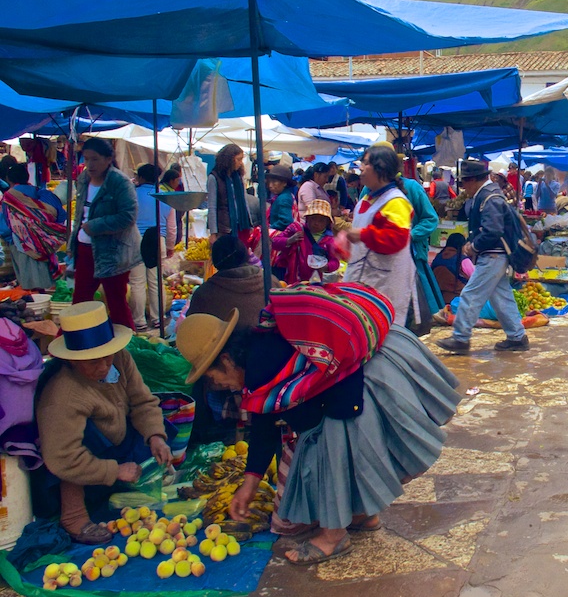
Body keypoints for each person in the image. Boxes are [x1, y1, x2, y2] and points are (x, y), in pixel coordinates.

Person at [175, 284, 460, 565]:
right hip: (376, 361)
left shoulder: (264, 366)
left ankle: (333, 537)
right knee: (326, 442)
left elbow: (309, 428)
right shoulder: (258, 352)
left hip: (363, 381)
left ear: (225, 359)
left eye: (212, 376)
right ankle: (362, 513)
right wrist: (251, 482)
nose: (217, 384)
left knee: (323, 448)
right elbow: (264, 422)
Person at [36, 302, 172, 544]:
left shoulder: (120, 358)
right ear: (73, 361)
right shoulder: (63, 395)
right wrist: (115, 471)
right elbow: (63, 457)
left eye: (106, 357)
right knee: (84, 437)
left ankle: (116, 486)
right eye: (92, 362)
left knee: (159, 428)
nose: (103, 366)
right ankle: (73, 515)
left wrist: (156, 436)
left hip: (118, 443)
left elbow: (142, 401)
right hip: (76, 462)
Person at [436, 159, 528, 354]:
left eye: (464, 182)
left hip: (493, 255)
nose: (463, 187)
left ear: (474, 180)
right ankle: (517, 336)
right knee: (501, 297)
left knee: (471, 294)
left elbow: (492, 231)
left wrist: (473, 246)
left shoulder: (489, 198)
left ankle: (460, 338)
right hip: (496, 255)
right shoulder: (489, 195)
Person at [186, 235, 263, 446]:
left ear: (216, 263)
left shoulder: (205, 293)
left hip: (234, 381)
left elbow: (193, 329)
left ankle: (220, 433)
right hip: (260, 373)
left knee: (206, 378)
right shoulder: (269, 281)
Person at [70, 138, 141, 330]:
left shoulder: (120, 183)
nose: (89, 164)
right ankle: (74, 343)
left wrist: (96, 225)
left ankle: (126, 348)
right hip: (85, 250)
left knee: (116, 300)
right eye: (86, 159)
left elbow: (128, 217)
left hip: (113, 252)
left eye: (94, 159)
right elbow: (80, 215)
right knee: (80, 300)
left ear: (108, 159)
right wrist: (72, 243)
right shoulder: (83, 179)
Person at [344, 144, 416, 323]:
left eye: (365, 163)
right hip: (363, 281)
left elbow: (396, 239)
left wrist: (362, 235)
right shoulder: (366, 199)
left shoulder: (396, 202)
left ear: (381, 168)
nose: (360, 168)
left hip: (384, 284)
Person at [0, 162, 67, 290]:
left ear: (9, 179)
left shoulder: (9, 198)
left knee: (31, 285)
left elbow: (5, 226)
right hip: (46, 243)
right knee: (46, 282)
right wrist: (41, 232)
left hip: (22, 244)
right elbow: (60, 215)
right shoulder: (40, 193)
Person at [397, 168, 445, 324]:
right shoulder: (368, 191)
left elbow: (430, 219)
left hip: (411, 253)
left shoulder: (411, 187)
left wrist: (410, 235)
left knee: (420, 305)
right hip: (379, 259)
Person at [129, 164, 169, 331]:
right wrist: (171, 244)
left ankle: (139, 321)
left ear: (141, 177)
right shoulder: (163, 196)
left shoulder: (131, 194)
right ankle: (158, 318)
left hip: (135, 239)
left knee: (137, 282)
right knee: (155, 281)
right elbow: (172, 225)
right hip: (157, 238)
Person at [272, 200, 341, 285]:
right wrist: (289, 240)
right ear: (307, 218)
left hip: (316, 283)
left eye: (321, 220)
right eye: (313, 218)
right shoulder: (296, 229)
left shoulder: (330, 241)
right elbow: (274, 242)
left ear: (327, 223)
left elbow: (335, 262)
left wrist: (326, 267)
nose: (316, 223)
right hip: (292, 279)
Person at [206, 144, 252, 245]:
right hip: (225, 228)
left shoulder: (238, 176)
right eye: (238, 159)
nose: (240, 163)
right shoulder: (214, 178)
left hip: (241, 226)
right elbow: (212, 206)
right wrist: (213, 233)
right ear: (229, 160)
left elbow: (244, 201)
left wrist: (249, 223)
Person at [431, 233, 474, 304]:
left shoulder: (438, 257)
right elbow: (475, 277)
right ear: (462, 246)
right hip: (459, 300)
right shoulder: (463, 260)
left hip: (438, 299)